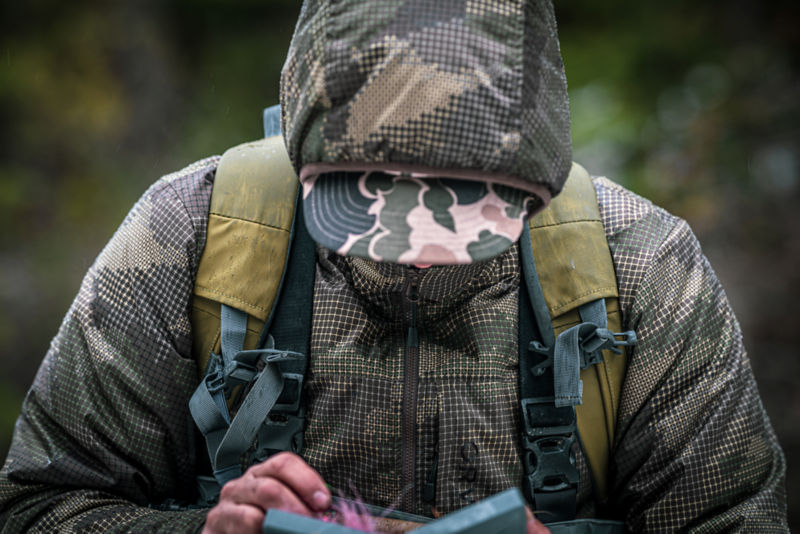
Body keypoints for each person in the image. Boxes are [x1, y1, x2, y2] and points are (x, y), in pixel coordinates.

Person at [0, 0, 787, 533]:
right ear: (306, 146)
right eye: (372, 195)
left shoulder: (642, 267)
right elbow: (40, 505)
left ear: (536, 175)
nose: (416, 244)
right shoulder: (190, 235)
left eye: (462, 202)